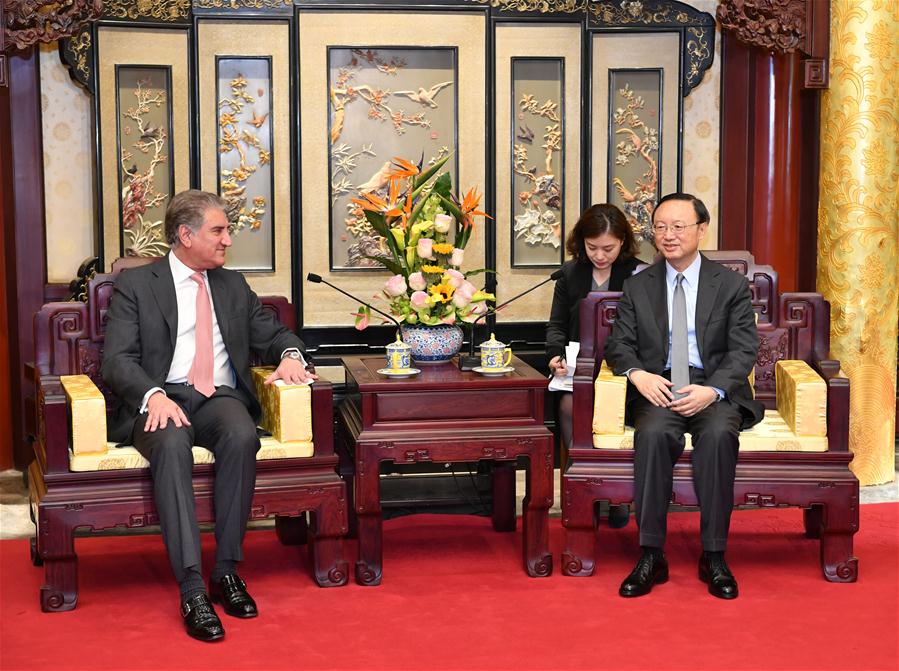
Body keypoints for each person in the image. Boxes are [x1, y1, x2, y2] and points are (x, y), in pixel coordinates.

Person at [102, 190, 316, 641]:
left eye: (227, 231)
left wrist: (291, 356)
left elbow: (274, 334)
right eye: (218, 231)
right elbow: (117, 360)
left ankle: (226, 570)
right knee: (171, 443)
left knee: (242, 434)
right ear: (186, 235)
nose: (227, 240)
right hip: (162, 398)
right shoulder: (137, 285)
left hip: (218, 397)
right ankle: (192, 588)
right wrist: (153, 395)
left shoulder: (232, 285)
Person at [605, 192, 764, 600]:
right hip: (659, 385)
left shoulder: (729, 284)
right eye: (660, 227)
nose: (668, 235)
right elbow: (618, 345)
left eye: (678, 226)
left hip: (712, 387)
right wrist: (639, 375)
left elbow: (744, 348)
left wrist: (713, 390)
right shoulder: (638, 286)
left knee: (718, 436)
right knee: (653, 435)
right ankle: (651, 554)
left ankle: (714, 555)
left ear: (701, 229)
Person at [546, 203, 644, 527]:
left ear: (622, 242)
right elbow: (557, 325)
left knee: (622, 409)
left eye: (608, 248)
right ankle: (583, 488)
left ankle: (618, 495)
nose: (599, 256)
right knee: (567, 405)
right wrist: (555, 355)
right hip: (580, 368)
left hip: (626, 370)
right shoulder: (570, 273)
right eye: (592, 248)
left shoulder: (639, 275)